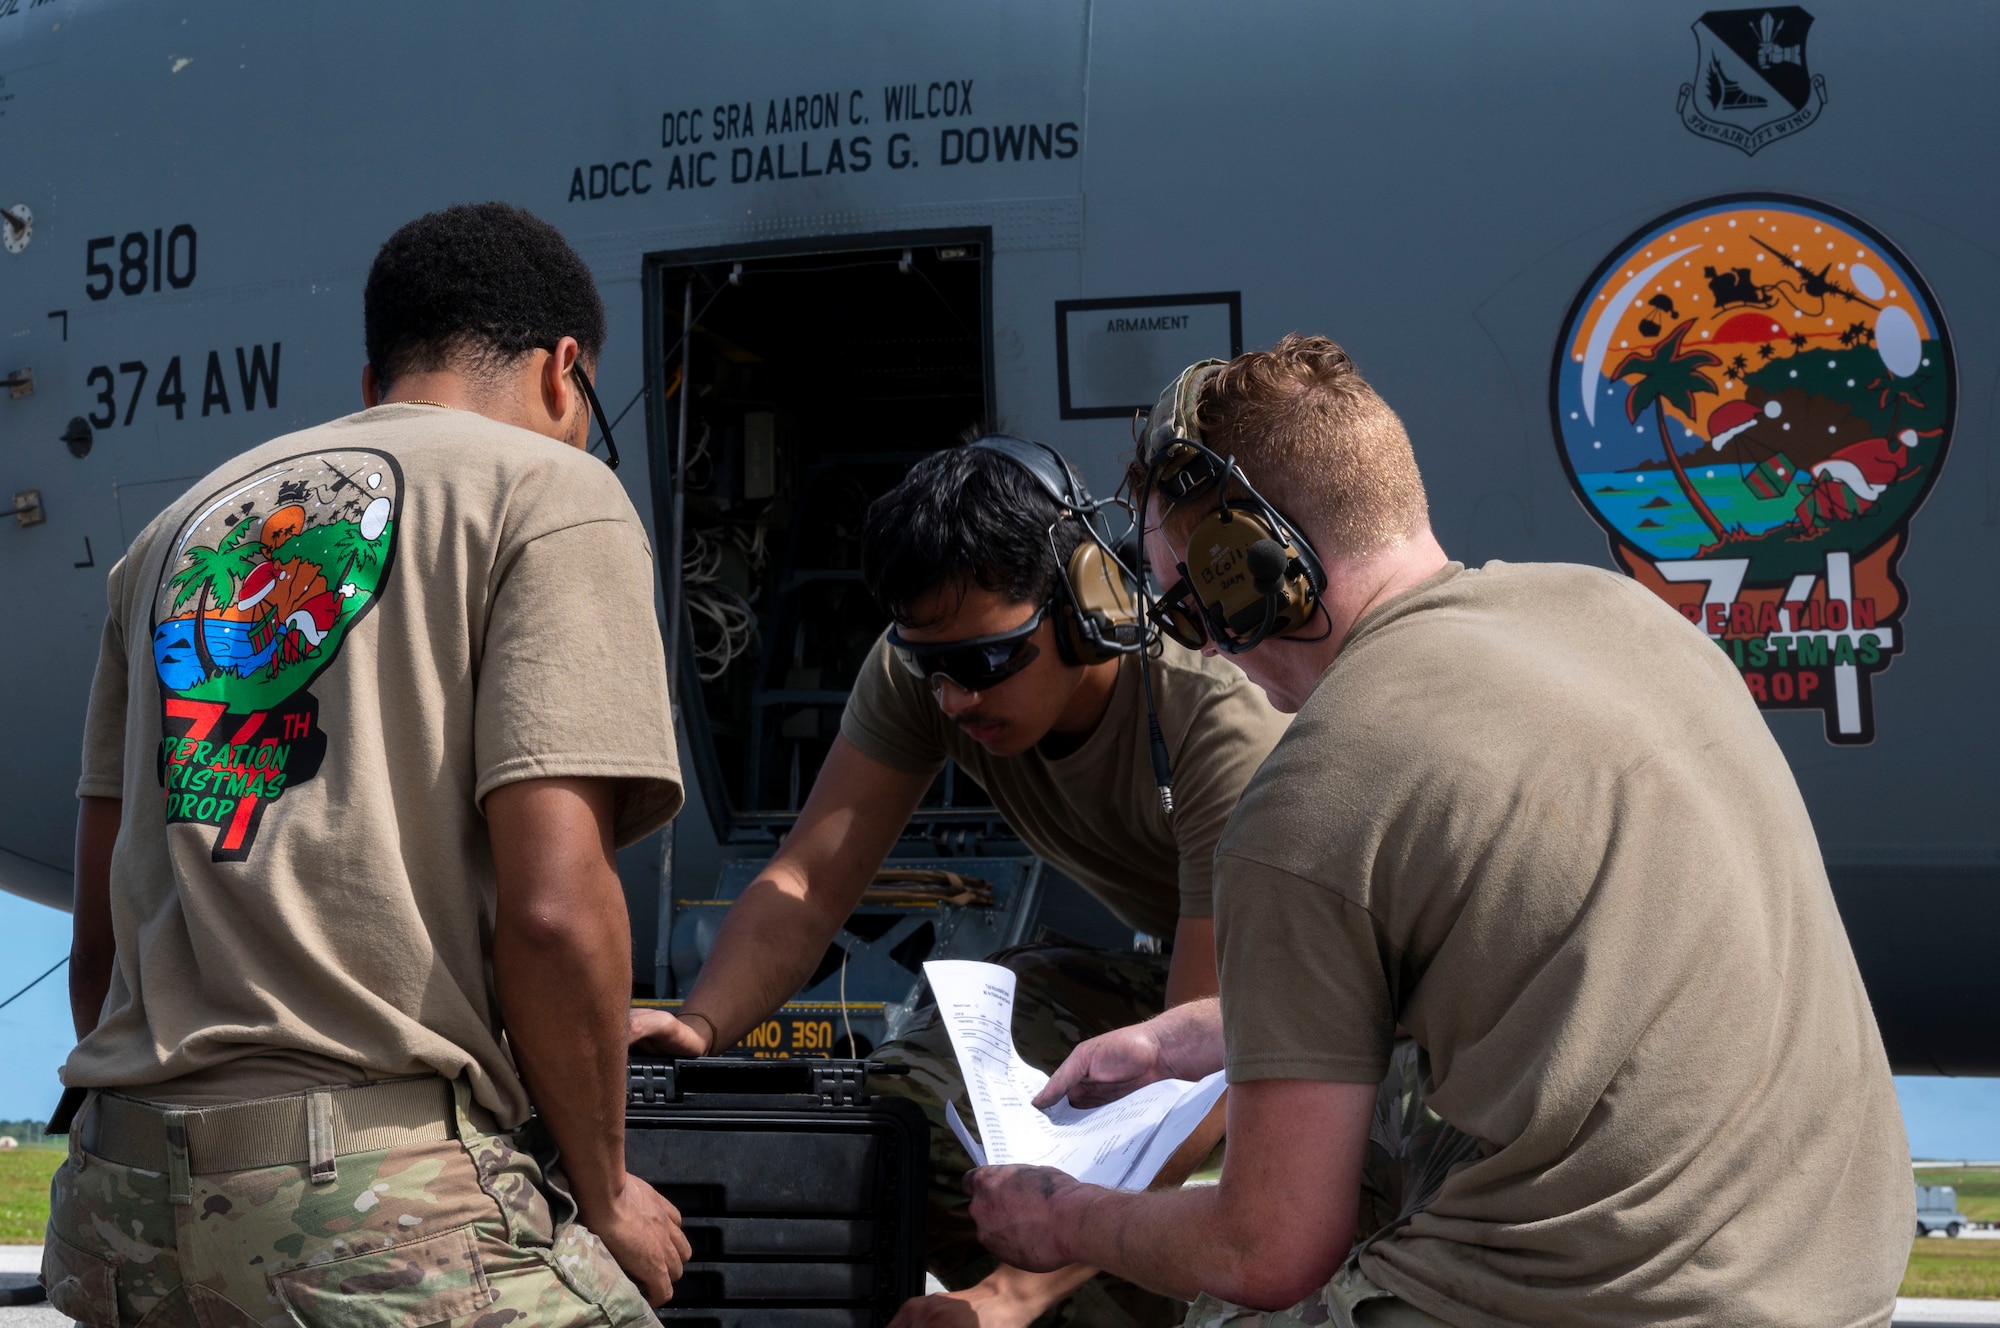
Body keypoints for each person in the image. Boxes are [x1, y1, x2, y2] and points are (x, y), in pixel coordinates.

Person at [961, 337, 1913, 1328]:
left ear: (1253, 574)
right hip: (1832, 1288)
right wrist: (1182, 1038)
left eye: (1191, 608)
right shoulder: (1626, 619)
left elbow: (1264, 1247)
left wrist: (1065, 1216)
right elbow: (1515, 955)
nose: (1198, 645)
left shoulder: (1310, 794)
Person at [47, 203, 690, 1328]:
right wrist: (607, 1190)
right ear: (564, 371)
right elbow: (552, 911)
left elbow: (100, 939)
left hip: (117, 1204)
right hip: (368, 1202)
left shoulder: (174, 535)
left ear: (372, 375)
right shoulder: (551, 490)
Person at [631, 437, 1290, 1328]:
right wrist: (698, 1026)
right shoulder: (937, 660)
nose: (954, 701)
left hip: (1311, 1010)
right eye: (929, 669)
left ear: (1084, 603)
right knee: (913, 1128)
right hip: (1192, 993)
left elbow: (1196, 1074)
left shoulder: (1215, 721)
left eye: (985, 663)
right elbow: (810, 882)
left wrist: (1005, 1298)